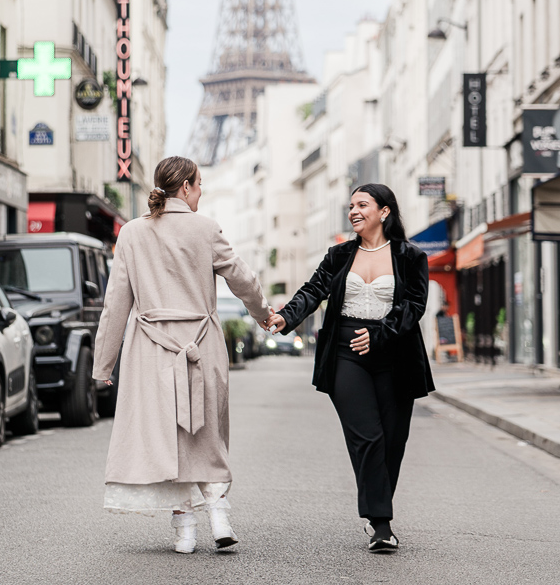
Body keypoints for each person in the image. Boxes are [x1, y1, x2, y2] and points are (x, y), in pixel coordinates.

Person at [92, 155, 273, 554]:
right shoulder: (206, 229)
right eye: (200, 184)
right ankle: (219, 511)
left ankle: (185, 532)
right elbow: (241, 276)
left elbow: (116, 302)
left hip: (150, 349)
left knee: (167, 437)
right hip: (200, 343)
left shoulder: (133, 234)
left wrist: (103, 363)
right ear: (186, 187)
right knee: (206, 430)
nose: (202, 191)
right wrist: (263, 314)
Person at [268, 183, 434, 552]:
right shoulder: (340, 254)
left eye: (362, 205)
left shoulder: (410, 256)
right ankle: (381, 524)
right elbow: (313, 290)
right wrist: (285, 318)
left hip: (395, 354)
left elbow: (414, 305)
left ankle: (379, 509)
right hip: (345, 352)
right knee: (367, 436)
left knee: (393, 440)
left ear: (384, 211)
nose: (353, 211)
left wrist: (381, 336)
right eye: (350, 206)